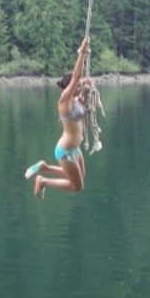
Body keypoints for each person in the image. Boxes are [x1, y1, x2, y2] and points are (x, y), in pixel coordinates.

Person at [25, 36, 91, 198]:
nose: (80, 86)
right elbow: (76, 76)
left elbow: (83, 105)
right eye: (78, 85)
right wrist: (82, 52)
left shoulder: (76, 100)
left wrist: (88, 92)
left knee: (81, 178)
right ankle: (43, 181)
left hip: (75, 149)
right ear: (70, 86)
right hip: (65, 151)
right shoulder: (64, 101)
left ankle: (45, 167)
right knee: (77, 187)